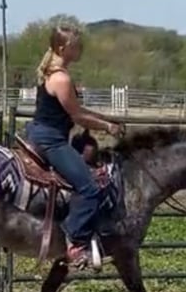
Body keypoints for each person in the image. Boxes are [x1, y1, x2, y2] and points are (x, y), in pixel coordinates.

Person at [24, 25, 124, 269]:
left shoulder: (54, 73)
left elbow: (76, 110)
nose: (80, 49)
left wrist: (104, 119)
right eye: (75, 45)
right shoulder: (61, 78)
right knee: (90, 188)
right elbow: (77, 117)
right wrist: (107, 128)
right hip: (52, 140)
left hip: (43, 132)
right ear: (62, 48)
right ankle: (75, 242)